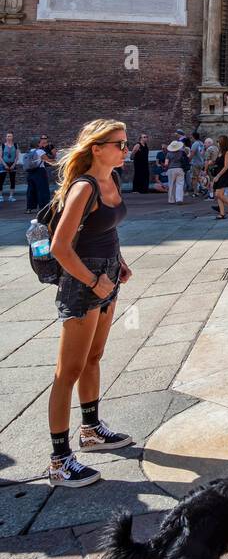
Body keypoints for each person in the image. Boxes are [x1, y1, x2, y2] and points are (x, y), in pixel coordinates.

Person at [46, 119, 133, 488]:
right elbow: (60, 248)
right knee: (68, 370)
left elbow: (106, 229)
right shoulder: (84, 187)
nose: (126, 150)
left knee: (94, 358)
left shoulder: (111, 180)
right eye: (119, 144)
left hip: (107, 275)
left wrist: (120, 261)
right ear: (96, 148)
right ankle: (59, 459)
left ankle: (92, 428)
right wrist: (92, 281)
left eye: (126, 144)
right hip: (84, 281)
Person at [210, 135, 228, 219]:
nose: (217, 143)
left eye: (218, 141)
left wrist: (218, 175)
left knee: (218, 194)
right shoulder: (219, 152)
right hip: (219, 174)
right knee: (218, 195)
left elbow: (226, 166)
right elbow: (218, 163)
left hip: (224, 174)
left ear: (222, 142)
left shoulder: (227, 152)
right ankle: (222, 214)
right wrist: (212, 163)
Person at [23, 137, 50, 212]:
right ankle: (43, 207)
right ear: (37, 144)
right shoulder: (40, 151)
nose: (42, 143)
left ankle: (29, 208)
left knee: (31, 190)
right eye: (41, 142)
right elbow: (48, 160)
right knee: (42, 189)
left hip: (30, 172)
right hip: (40, 171)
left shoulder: (28, 152)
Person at [165, 139, 188, 204]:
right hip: (180, 169)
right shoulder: (182, 153)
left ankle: (171, 200)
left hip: (171, 169)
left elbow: (166, 163)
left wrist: (166, 168)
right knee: (180, 184)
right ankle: (179, 199)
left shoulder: (168, 154)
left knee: (171, 185)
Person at [0, 131, 19, 201]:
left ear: (12, 137)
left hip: (12, 164)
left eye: (10, 136)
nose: (9, 137)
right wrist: (4, 164)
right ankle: (0, 196)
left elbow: (17, 156)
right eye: (8, 136)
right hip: (3, 164)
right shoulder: (2, 145)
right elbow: (0, 157)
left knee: (12, 180)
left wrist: (14, 164)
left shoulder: (16, 145)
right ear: (6, 137)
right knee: (1, 181)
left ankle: (11, 197)